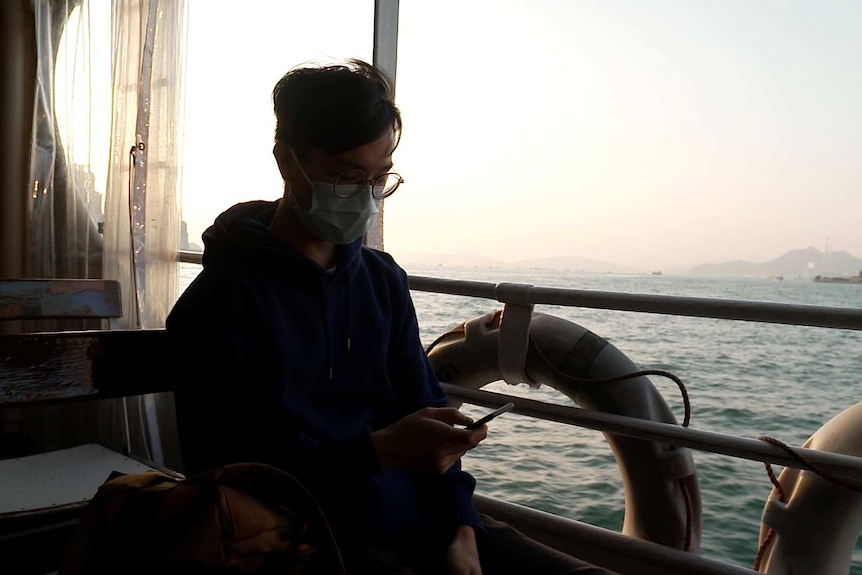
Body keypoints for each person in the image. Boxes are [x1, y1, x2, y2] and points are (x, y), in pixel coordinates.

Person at [166, 58, 616, 575]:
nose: (366, 194)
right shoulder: (219, 302)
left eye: (381, 177)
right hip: (300, 539)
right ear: (287, 162)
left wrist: (462, 528)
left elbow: (423, 406)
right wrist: (376, 454)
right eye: (346, 175)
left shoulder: (381, 281)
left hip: (425, 521)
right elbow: (228, 468)